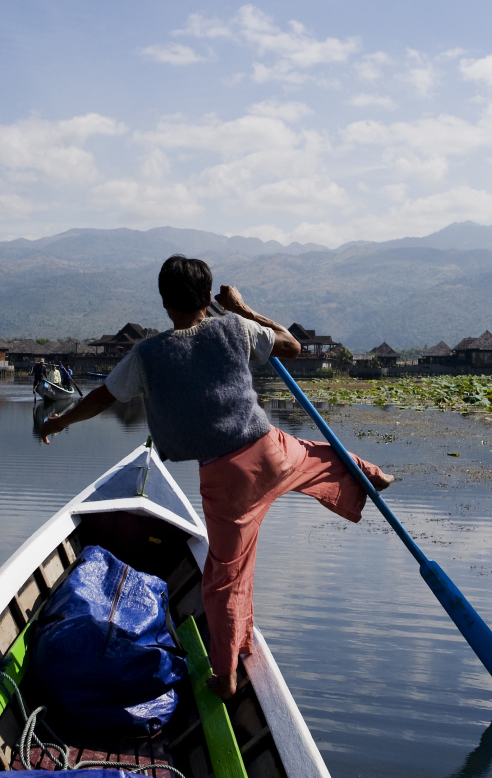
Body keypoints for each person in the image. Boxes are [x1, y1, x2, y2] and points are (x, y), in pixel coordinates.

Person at [42, 255, 394, 700]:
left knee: (224, 576)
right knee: (314, 456)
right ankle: (370, 473)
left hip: (226, 480)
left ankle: (226, 674)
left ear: (165, 303)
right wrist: (241, 307)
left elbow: (101, 397)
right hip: (269, 451)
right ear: (208, 299)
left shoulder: (146, 355)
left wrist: (59, 422)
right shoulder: (234, 328)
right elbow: (291, 346)